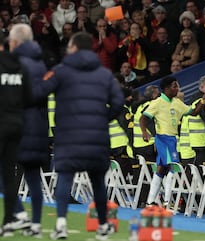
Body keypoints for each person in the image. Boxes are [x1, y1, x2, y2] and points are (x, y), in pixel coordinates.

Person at [32, 32, 124, 240]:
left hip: (68, 136)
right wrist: (102, 119)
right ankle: (102, 226)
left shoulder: (60, 71)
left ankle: (61, 224)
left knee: (64, 177)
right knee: (98, 181)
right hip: (97, 137)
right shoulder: (105, 74)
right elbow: (118, 103)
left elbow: (39, 92)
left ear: (73, 48)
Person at [140, 76, 205, 207]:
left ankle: (150, 202)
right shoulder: (157, 102)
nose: (177, 88)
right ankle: (167, 202)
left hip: (172, 139)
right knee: (173, 167)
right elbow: (143, 118)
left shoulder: (177, 102)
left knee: (161, 170)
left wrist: (202, 101)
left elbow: (193, 112)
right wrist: (144, 132)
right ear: (166, 89)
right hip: (163, 138)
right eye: (174, 86)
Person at [9, 23, 49, 238]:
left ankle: (21, 216)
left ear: (15, 42)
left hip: (18, 126)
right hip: (39, 127)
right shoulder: (40, 63)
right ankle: (35, 224)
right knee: (33, 178)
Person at [0, 29, 31, 237]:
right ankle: (12, 218)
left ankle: (15, 217)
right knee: (8, 175)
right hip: (18, 125)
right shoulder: (23, 68)